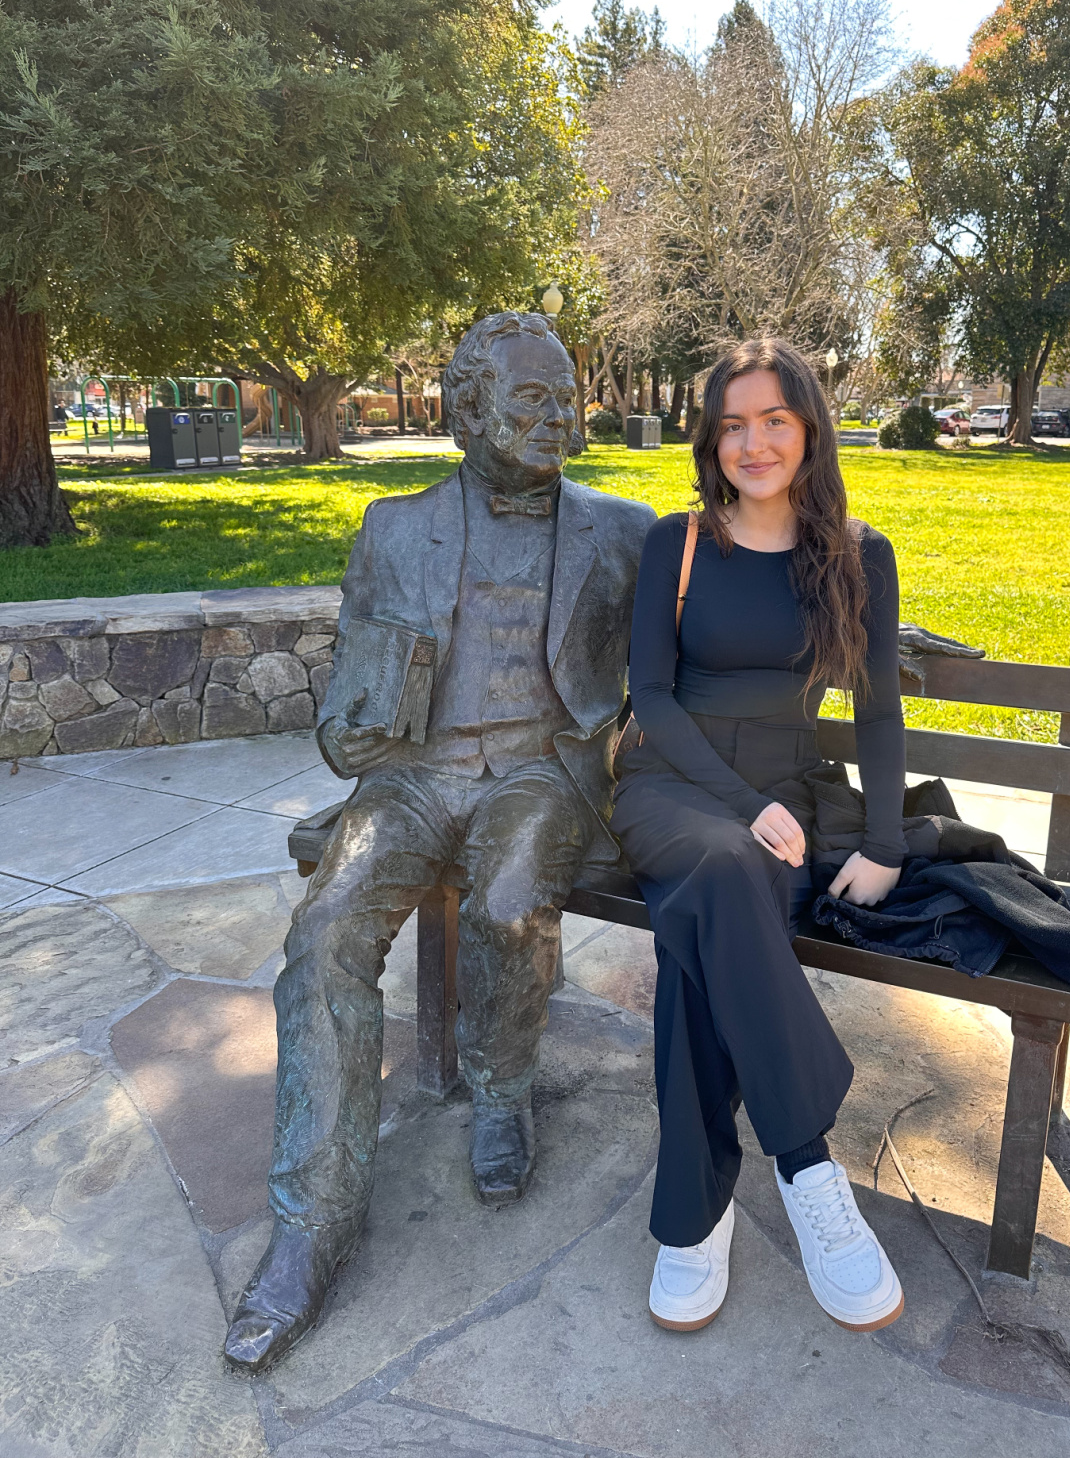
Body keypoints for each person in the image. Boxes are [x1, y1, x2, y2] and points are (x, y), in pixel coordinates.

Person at [223, 312, 654, 1372]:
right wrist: (352, 729)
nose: (558, 418)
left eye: (567, 399)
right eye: (531, 398)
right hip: (413, 778)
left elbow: (725, 615)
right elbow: (346, 710)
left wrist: (860, 628)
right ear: (468, 410)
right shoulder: (392, 529)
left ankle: (501, 1093)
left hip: (542, 771)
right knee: (325, 929)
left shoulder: (625, 530)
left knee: (509, 903)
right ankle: (310, 1226)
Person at [610, 337, 906, 1335]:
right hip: (674, 781)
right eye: (733, 424)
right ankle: (807, 1162)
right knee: (728, 864)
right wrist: (740, 802)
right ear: (711, 440)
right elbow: (652, 696)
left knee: (704, 937)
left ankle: (694, 1218)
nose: (754, 443)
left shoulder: (859, 556)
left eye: (775, 419)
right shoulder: (679, 543)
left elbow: (878, 710)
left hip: (788, 789)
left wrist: (887, 841)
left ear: (810, 429)